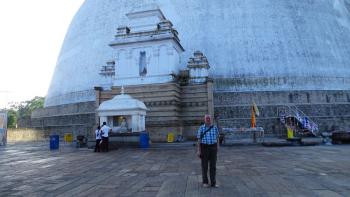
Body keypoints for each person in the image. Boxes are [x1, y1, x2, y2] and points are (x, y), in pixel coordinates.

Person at [196, 114, 219, 188]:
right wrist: (198, 150)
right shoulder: (201, 128)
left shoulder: (215, 128)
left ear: (211, 119)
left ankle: (213, 183)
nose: (208, 120)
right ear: (204, 120)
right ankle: (205, 182)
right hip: (204, 148)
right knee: (204, 166)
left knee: (213, 166)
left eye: (209, 118)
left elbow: (217, 138)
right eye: (207, 118)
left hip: (213, 148)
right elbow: (199, 140)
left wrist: (217, 147)